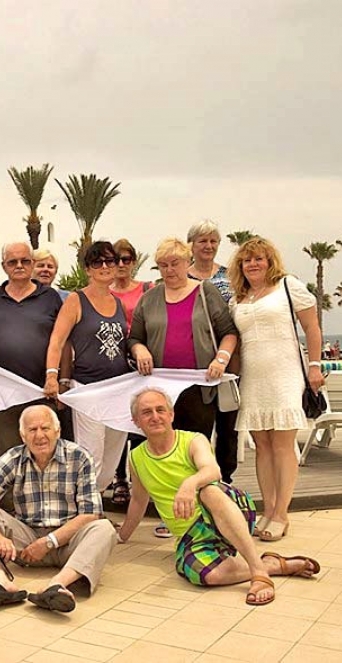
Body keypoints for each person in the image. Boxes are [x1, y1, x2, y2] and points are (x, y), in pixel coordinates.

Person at [118, 388, 321, 606]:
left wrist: (190, 484)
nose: (155, 416)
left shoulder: (193, 440)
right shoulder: (136, 457)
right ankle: (272, 565)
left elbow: (212, 471)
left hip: (227, 510)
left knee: (209, 491)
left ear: (171, 414)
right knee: (208, 575)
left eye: (160, 410)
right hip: (192, 535)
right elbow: (138, 500)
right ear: (135, 421)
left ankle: (258, 572)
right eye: (146, 412)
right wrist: (122, 535)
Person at [129, 237, 239, 539]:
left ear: (187, 262)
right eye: (163, 265)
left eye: (174, 263)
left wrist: (221, 358)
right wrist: (140, 350)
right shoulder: (150, 298)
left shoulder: (206, 292)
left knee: (195, 452)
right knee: (164, 451)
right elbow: (134, 337)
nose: (169, 270)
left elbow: (229, 332)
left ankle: (205, 512)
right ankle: (172, 513)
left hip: (198, 388)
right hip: (161, 390)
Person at [0, 405, 116, 612]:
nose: (39, 436)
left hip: (67, 542)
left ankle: (57, 585)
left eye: (45, 428)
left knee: (104, 528)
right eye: (32, 430)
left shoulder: (79, 457)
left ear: (57, 431)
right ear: (23, 436)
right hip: (26, 543)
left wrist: (49, 542)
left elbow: (90, 514)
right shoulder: (14, 457)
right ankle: (0, 579)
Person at [228, 237, 324, 541]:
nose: (252, 264)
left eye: (258, 258)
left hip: (284, 373)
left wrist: (315, 366)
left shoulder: (288, 286)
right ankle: (268, 509)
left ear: (270, 261)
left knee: (282, 444)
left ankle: (282, 513)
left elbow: (312, 327)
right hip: (253, 376)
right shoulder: (238, 299)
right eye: (247, 260)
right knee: (263, 446)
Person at [45, 241, 131, 493]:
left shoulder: (119, 303)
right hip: (88, 388)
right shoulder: (76, 300)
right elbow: (57, 340)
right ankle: (86, 509)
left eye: (109, 261)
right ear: (88, 269)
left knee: (112, 457)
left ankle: (94, 502)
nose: (104, 266)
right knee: (91, 456)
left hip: (118, 390)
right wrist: (52, 376)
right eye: (97, 262)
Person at [0, 242, 62, 477]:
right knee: (7, 459)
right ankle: (8, 501)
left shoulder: (50, 297)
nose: (19, 266)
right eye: (12, 262)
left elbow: (62, 342)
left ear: (32, 264)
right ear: (3, 266)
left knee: (44, 456)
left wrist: (61, 379)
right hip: (2, 395)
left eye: (25, 261)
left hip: (41, 391)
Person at [186, 221, 242, 486]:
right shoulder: (181, 277)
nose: (208, 246)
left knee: (229, 423)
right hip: (195, 362)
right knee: (198, 425)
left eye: (213, 241)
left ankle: (225, 479)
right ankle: (200, 478)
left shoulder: (231, 277)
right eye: (202, 241)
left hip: (230, 358)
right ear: (191, 245)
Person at [108, 238, 152, 507]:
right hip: (113, 363)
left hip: (140, 364)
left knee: (139, 422)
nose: (121, 264)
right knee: (116, 422)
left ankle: (139, 479)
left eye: (126, 259)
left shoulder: (148, 289)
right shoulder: (103, 292)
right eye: (116, 259)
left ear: (134, 262)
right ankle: (119, 478)